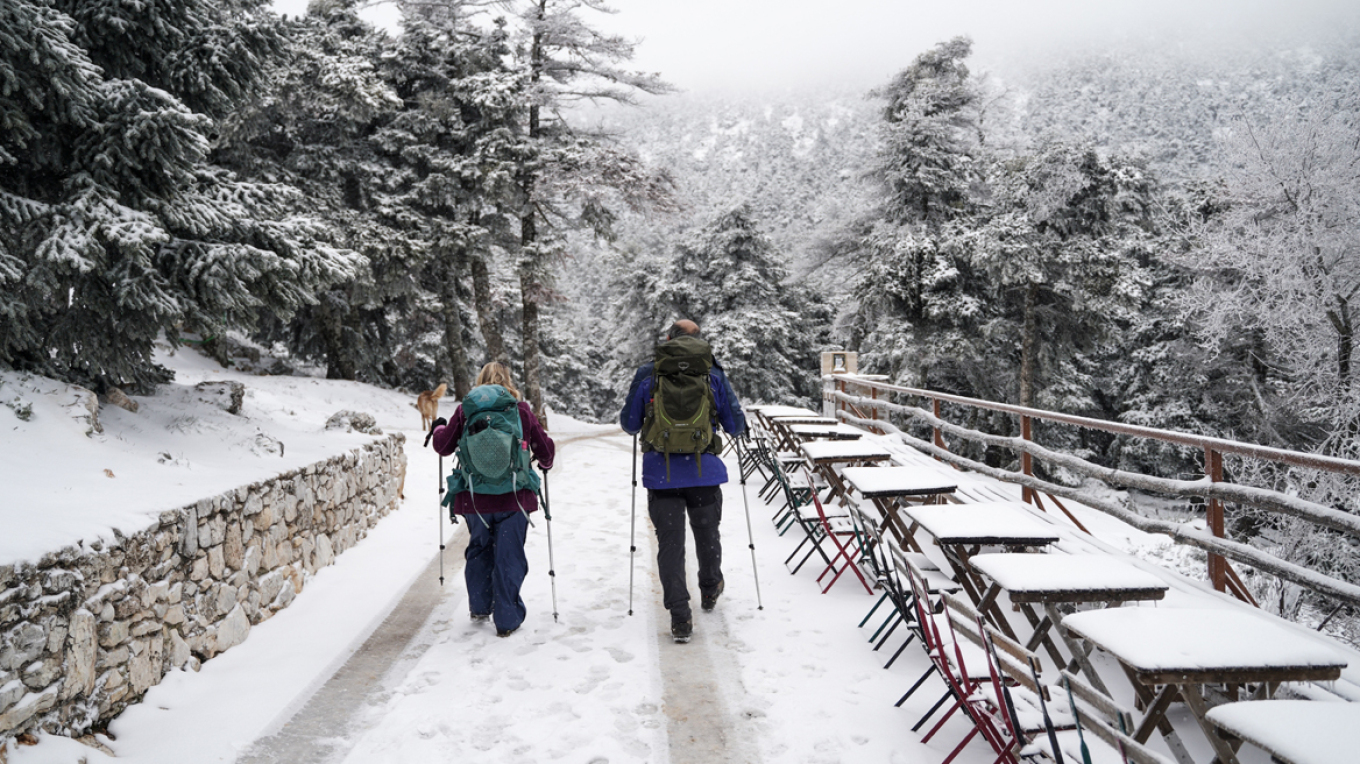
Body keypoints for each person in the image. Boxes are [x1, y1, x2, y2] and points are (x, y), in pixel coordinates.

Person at [620, 320, 746, 642]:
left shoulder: (649, 373)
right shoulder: (712, 373)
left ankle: (680, 617)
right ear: (698, 340)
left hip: (662, 476)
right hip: (703, 472)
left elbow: (630, 424)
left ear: (668, 339)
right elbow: (735, 425)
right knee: (707, 534)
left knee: (671, 546)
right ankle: (709, 588)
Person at [430, 362, 554, 637]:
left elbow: (443, 446)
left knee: (479, 549)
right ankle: (507, 619)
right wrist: (545, 461)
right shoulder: (519, 410)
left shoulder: (467, 409)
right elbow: (544, 448)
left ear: (480, 381)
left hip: (476, 498)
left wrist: (438, 428)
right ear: (508, 381)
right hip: (515, 497)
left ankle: (480, 606)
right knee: (509, 555)